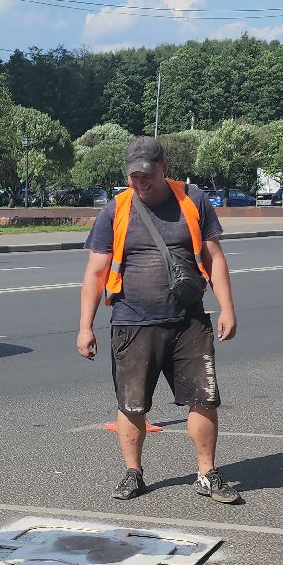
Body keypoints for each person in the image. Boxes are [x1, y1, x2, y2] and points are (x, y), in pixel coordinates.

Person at [76, 136, 242, 505]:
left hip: (189, 322)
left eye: (148, 174)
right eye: (134, 176)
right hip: (133, 322)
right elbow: (95, 271)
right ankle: (133, 473)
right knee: (132, 403)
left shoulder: (193, 200)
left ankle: (206, 473)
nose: (141, 182)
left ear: (165, 167)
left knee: (204, 399)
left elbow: (214, 257)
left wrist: (227, 307)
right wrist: (85, 326)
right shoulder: (116, 209)